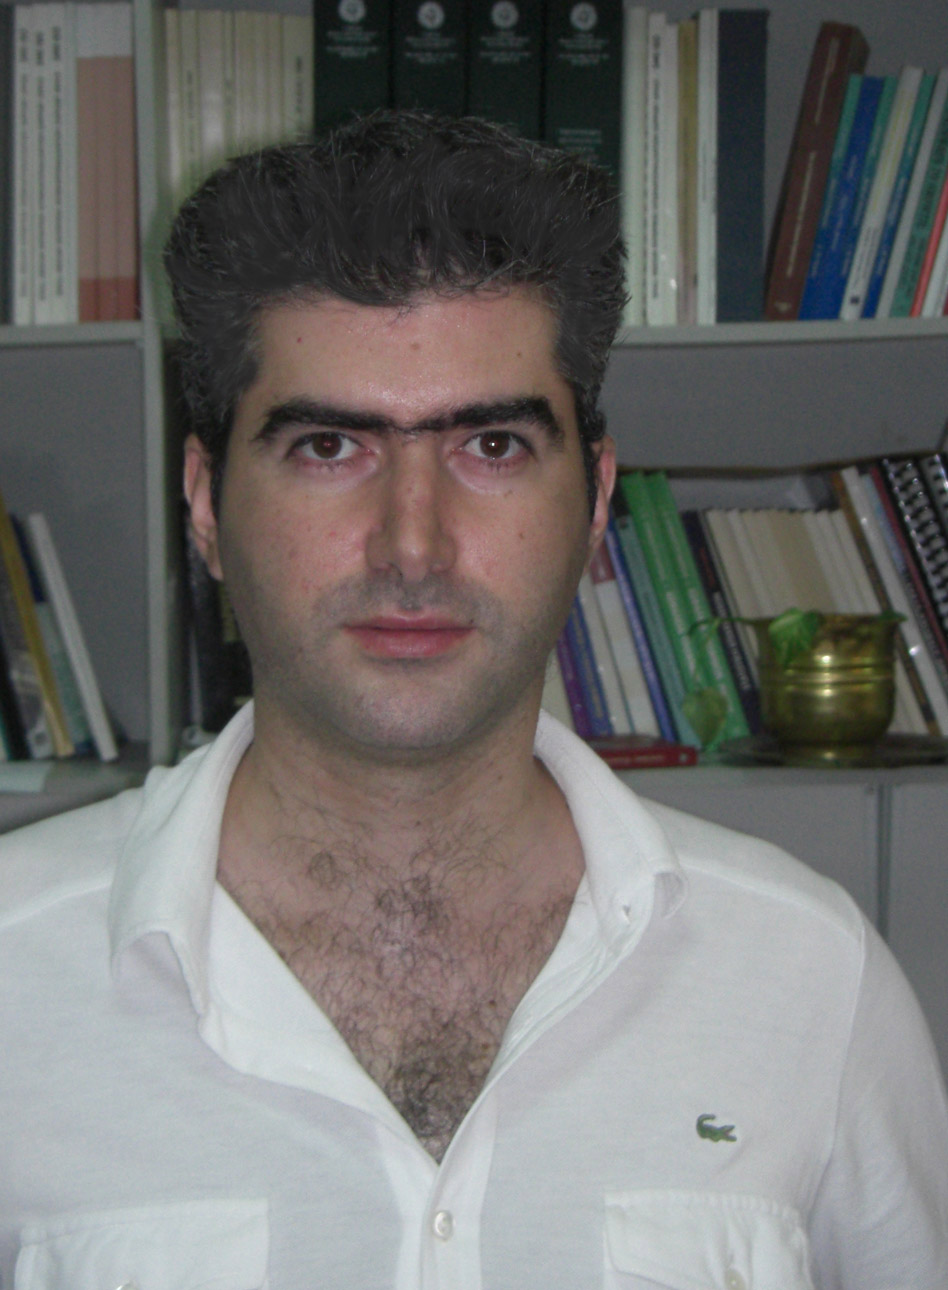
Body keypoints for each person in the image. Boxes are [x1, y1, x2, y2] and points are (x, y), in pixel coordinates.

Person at [1, 110, 946, 1289]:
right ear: (205, 503)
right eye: (328, 448)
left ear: (594, 500)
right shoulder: (14, 979)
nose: (412, 545)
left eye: (491, 447)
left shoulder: (811, 979)